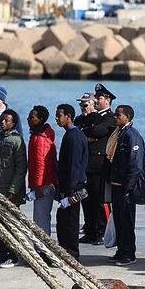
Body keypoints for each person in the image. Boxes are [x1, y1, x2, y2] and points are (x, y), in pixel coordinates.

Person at [107, 105, 145, 266]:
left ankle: (129, 253)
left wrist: (128, 187)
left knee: (126, 220)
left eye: (118, 115)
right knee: (118, 219)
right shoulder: (118, 133)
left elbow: (136, 164)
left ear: (128, 117)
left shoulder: (132, 136)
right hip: (116, 184)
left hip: (124, 187)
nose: (115, 117)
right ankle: (121, 249)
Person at [0, 109, 27, 269]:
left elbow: (21, 167)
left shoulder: (17, 141)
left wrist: (13, 189)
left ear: (13, 123)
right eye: (1, 120)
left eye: (6, 120)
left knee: (11, 223)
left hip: (10, 191)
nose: (3, 122)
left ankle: (13, 255)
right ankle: (1, 254)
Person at [78, 84, 116, 246]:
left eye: (99, 98)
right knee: (87, 200)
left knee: (100, 201)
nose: (96, 100)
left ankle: (101, 231)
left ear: (107, 101)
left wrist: (86, 131)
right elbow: (78, 129)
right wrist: (85, 134)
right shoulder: (90, 117)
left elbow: (98, 131)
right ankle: (90, 231)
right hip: (87, 164)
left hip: (99, 164)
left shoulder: (109, 117)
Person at [55, 103, 89, 260]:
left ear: (68, 116)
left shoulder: (74, 136)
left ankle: (72, 255)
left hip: (73, 187)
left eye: (59, 115)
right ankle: (64, 252)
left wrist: (69, 191)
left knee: (70, 222)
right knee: (62, 220)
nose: (57, 118)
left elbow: (74, 166)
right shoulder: (71, 134)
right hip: (69, 186)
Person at [26, 106, 59, 245]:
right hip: (44, 182)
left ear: (40, 120)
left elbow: (41, 164)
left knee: (41, 218)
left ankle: (44, 249)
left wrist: (38, 186)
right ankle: (42, 247)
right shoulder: (40, 134)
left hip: (44, 184)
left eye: (32, 117)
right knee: (41, 217)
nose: (28, 119)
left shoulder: (40, 138)